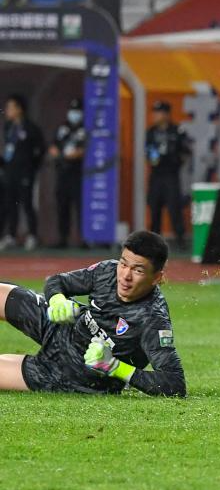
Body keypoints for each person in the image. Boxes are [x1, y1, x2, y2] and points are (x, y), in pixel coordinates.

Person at [0, 230, 185, 396]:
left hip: (74, 374)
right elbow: (57, 281)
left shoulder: (153, 320)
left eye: (138, 270)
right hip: (64, 326)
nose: (125, 276)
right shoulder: (107, 271)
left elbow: (174, 383)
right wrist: (58, 301)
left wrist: (115, 367)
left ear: (156, 278)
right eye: (123, 264)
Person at [1, 94, 44, 251]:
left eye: (10, 107)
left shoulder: (31, 128)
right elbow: (9, 149)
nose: (7, 110)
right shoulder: (8, 127)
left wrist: (32, 167)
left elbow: (41, 150)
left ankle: (32, 235)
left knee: (27, 203)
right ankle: (11, 235)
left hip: (25, 172)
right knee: (10, 204)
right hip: (10, 171)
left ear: (19, 109)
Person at [145, 101, 190, 249]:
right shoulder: (151, 132)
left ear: (166, 114)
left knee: (174, 208)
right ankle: (153, 242)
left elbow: (186, 151)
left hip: (171, 174)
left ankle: (180, 240)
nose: (155, 116)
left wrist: (176, 161)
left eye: (158, 112)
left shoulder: (177, 131)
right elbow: (148, 151)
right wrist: (153, 159)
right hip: (156, 175)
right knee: (154, 208)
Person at [49, 98, 87, 248]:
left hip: (78, 173)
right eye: (72, 110)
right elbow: (53, 146)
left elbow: (85, 149)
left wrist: (77, 154)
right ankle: (63, 238)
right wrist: (58, 154)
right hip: (62, 171)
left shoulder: (85, 128)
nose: (74, 114)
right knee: (62, 205)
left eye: (77, 111)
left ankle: (84, 239)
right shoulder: (63, 127)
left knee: (80, 206)